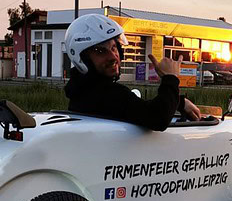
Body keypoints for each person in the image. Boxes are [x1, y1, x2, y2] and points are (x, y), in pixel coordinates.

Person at [63, 14, 200, 131]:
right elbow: (157, 118)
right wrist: (171, 78)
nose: (112, 57)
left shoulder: (81, 92)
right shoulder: (105, 94)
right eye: (100, 51)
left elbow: (136, 109)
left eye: (113, 48)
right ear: (83, 58)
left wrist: (179, 102)